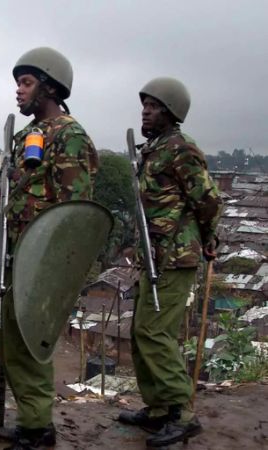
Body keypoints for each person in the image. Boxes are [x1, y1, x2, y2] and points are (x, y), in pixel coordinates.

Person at [0, 47, 98, 449]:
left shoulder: (70, 137)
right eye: (18, 83)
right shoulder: (25, 137)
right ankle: (31, 421)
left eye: (27, 83)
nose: (18, 92)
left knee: (29, 341)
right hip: (13, 255)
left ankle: (38, 428)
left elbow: (75, 212)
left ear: (50, 87)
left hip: (41, 261)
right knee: (9, 341)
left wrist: (59, 267)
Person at [118, 77, 221, 448]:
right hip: (153, 256)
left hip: (177, 256)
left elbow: (208, 200)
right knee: (140, 331)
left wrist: (208, 239)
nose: (146, 110)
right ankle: (158, 408)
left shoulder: (181, 149)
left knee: (155, 332)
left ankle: (182, 412)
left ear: (171, 112)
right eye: (145, 104)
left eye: (155, 105)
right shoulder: (154, 149)